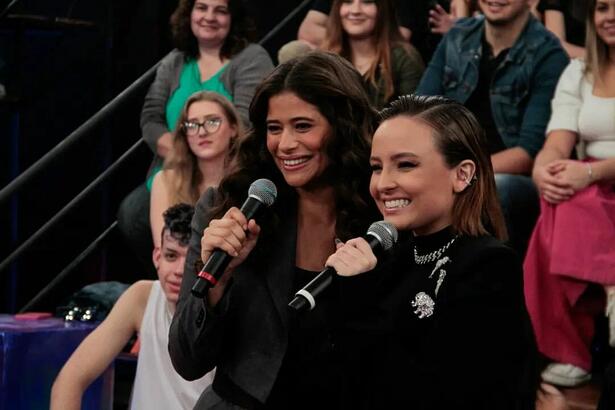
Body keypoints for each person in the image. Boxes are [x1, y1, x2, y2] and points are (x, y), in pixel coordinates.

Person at [168, 51, 380, 409]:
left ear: (342, 126)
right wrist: (217, 284)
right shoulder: (228, 208)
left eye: (303, 126)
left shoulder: (380, 216)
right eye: (274, 128)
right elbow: (188, 360)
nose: (284, 144)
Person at [325, 94, 538, 409]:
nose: (383, 183)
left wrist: (358, 296)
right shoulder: (389, 258)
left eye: (406, 165)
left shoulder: (489, 266)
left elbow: (440, 390)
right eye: (376, 167)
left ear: (462, 174)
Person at [117, 0, 274, 272]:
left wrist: (204, 148)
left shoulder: (252, 57)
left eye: (220, 10)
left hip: (227, 169)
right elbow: (151, 118)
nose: (209, 17)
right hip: (176, 166)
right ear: (189, 14)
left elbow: (247, 121)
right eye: (202, 8)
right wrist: (184, 149)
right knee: (133, 214)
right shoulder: (175, 61)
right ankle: (173, 282)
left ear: (233, 18)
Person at [416, 0, 569, 253]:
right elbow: (419, 113)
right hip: (446, 166)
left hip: (511, 179)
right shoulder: (457, 37)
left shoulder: (548, 54)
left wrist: (458, 175)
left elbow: (527, 154)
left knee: (498, 188)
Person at [523, 0, 615, 388]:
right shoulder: (579, 71)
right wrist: (545, 169)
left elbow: (585, 171)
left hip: (598, 178)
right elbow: (558, 140)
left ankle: (571, 349)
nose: (609, 17)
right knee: (557, 195)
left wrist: (590, 171)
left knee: (573, 200)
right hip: (590, 185)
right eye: (603, 8)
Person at [51, 204, 213, 410]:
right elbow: (69, 380)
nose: (179, 270)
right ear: (157, 257)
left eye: (189, 259)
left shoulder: (218, 307)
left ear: (203, 263)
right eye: (171, 256)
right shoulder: (142, 297)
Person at [150, 91, 243, 248]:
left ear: (233, 128)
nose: (202, 132)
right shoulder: (165, 181)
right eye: (192, 125)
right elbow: (167, 251)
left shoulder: (249, 179)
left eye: (212, 121)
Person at [321, 0, 424, 109]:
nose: (356, 11)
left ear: (382, 10)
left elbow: (414, 116)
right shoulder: (323, 58)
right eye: (348, 1)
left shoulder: (405, 58)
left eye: (367, 2)